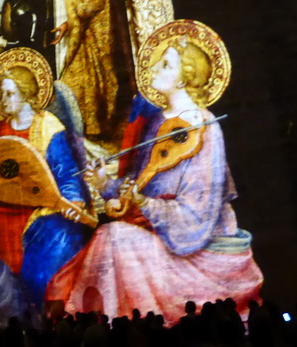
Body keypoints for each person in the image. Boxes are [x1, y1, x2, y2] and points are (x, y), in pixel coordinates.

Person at [46, 20, 263, 325]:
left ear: (183, 79)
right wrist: (107, 184)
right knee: (111, 235)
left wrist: (145, 205)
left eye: (165, 65)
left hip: (198, 245)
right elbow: (141, 184)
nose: (154, 69)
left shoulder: (205, 126)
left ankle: (120, 328)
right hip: (158, 231)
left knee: (115, 237)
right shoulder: (157, 123)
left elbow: (197, 214)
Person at [0, 48, 92, 305]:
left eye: (10, 93)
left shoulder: (48, 126)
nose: (3, 99)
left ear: (25, 94)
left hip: (42, 215)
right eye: (1, 94)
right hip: (4, 226)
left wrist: (73, 202)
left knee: (57, 251)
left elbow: (66, 175)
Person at [32, 0, 118, 137]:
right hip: (60, 31)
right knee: (62, 74)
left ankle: (90, 128)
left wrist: (70, 23)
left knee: (80, 77)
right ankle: (72, 128)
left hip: (83, 31)